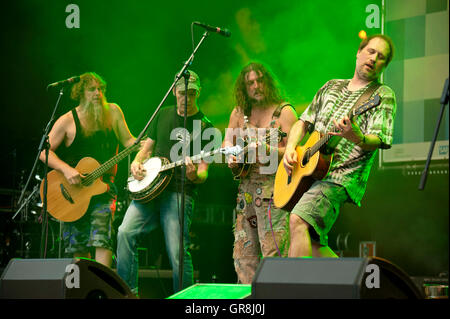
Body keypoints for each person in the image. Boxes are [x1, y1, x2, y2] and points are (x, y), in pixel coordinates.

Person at [283, 34, 396, 258]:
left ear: (384, 65)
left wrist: (357, 136)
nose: (374, 59)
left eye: (381, 57)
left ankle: (293, 290)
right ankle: (354, 287)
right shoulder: (331, 86)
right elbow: (302, 123)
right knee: (313, 243)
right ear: (359, 52)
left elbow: (378, 139)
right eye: (371, 51)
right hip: (310, 172)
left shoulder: (381, 95)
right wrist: (290, 148)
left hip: (341, 177)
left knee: (298, 221)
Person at [117, 70, 213, 295]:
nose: (186, 98)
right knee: (124, 233)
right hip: (149, 189)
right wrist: (136, 164)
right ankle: (128, 293)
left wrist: (193, 176)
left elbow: (203, 172)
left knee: (178, 253)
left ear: (199, 93)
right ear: (174, 92)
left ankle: (186, 299)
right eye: (182, 93)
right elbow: (145, 150)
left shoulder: (206, 127)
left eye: (191, 94)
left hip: (179, 192)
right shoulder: (163, 114)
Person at [39, 72, 136, 267]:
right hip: (72, 192)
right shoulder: (68, 119)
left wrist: (148, 143)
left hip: (104, 189)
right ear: (80, 92)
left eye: (101, 89)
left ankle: (102, 288)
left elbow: (129, 141)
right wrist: (67, 170)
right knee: (76, 245)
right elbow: (44, 152)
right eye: (92, 89)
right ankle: (83, 290)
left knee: (102, 240)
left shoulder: (113, 112)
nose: (98, 94)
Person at [223, 62, 298, 284]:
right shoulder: (239, 113)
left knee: (274, 253)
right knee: (243, 256)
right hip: (245, 194)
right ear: (244, 88)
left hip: (275, 192)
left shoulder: (284, 112)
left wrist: (270, 151)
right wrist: (231, 155)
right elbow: (228, 140)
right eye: (250, 83)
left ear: (268, 82)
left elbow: (298, 152)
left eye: (260, 80)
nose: (256, 86)